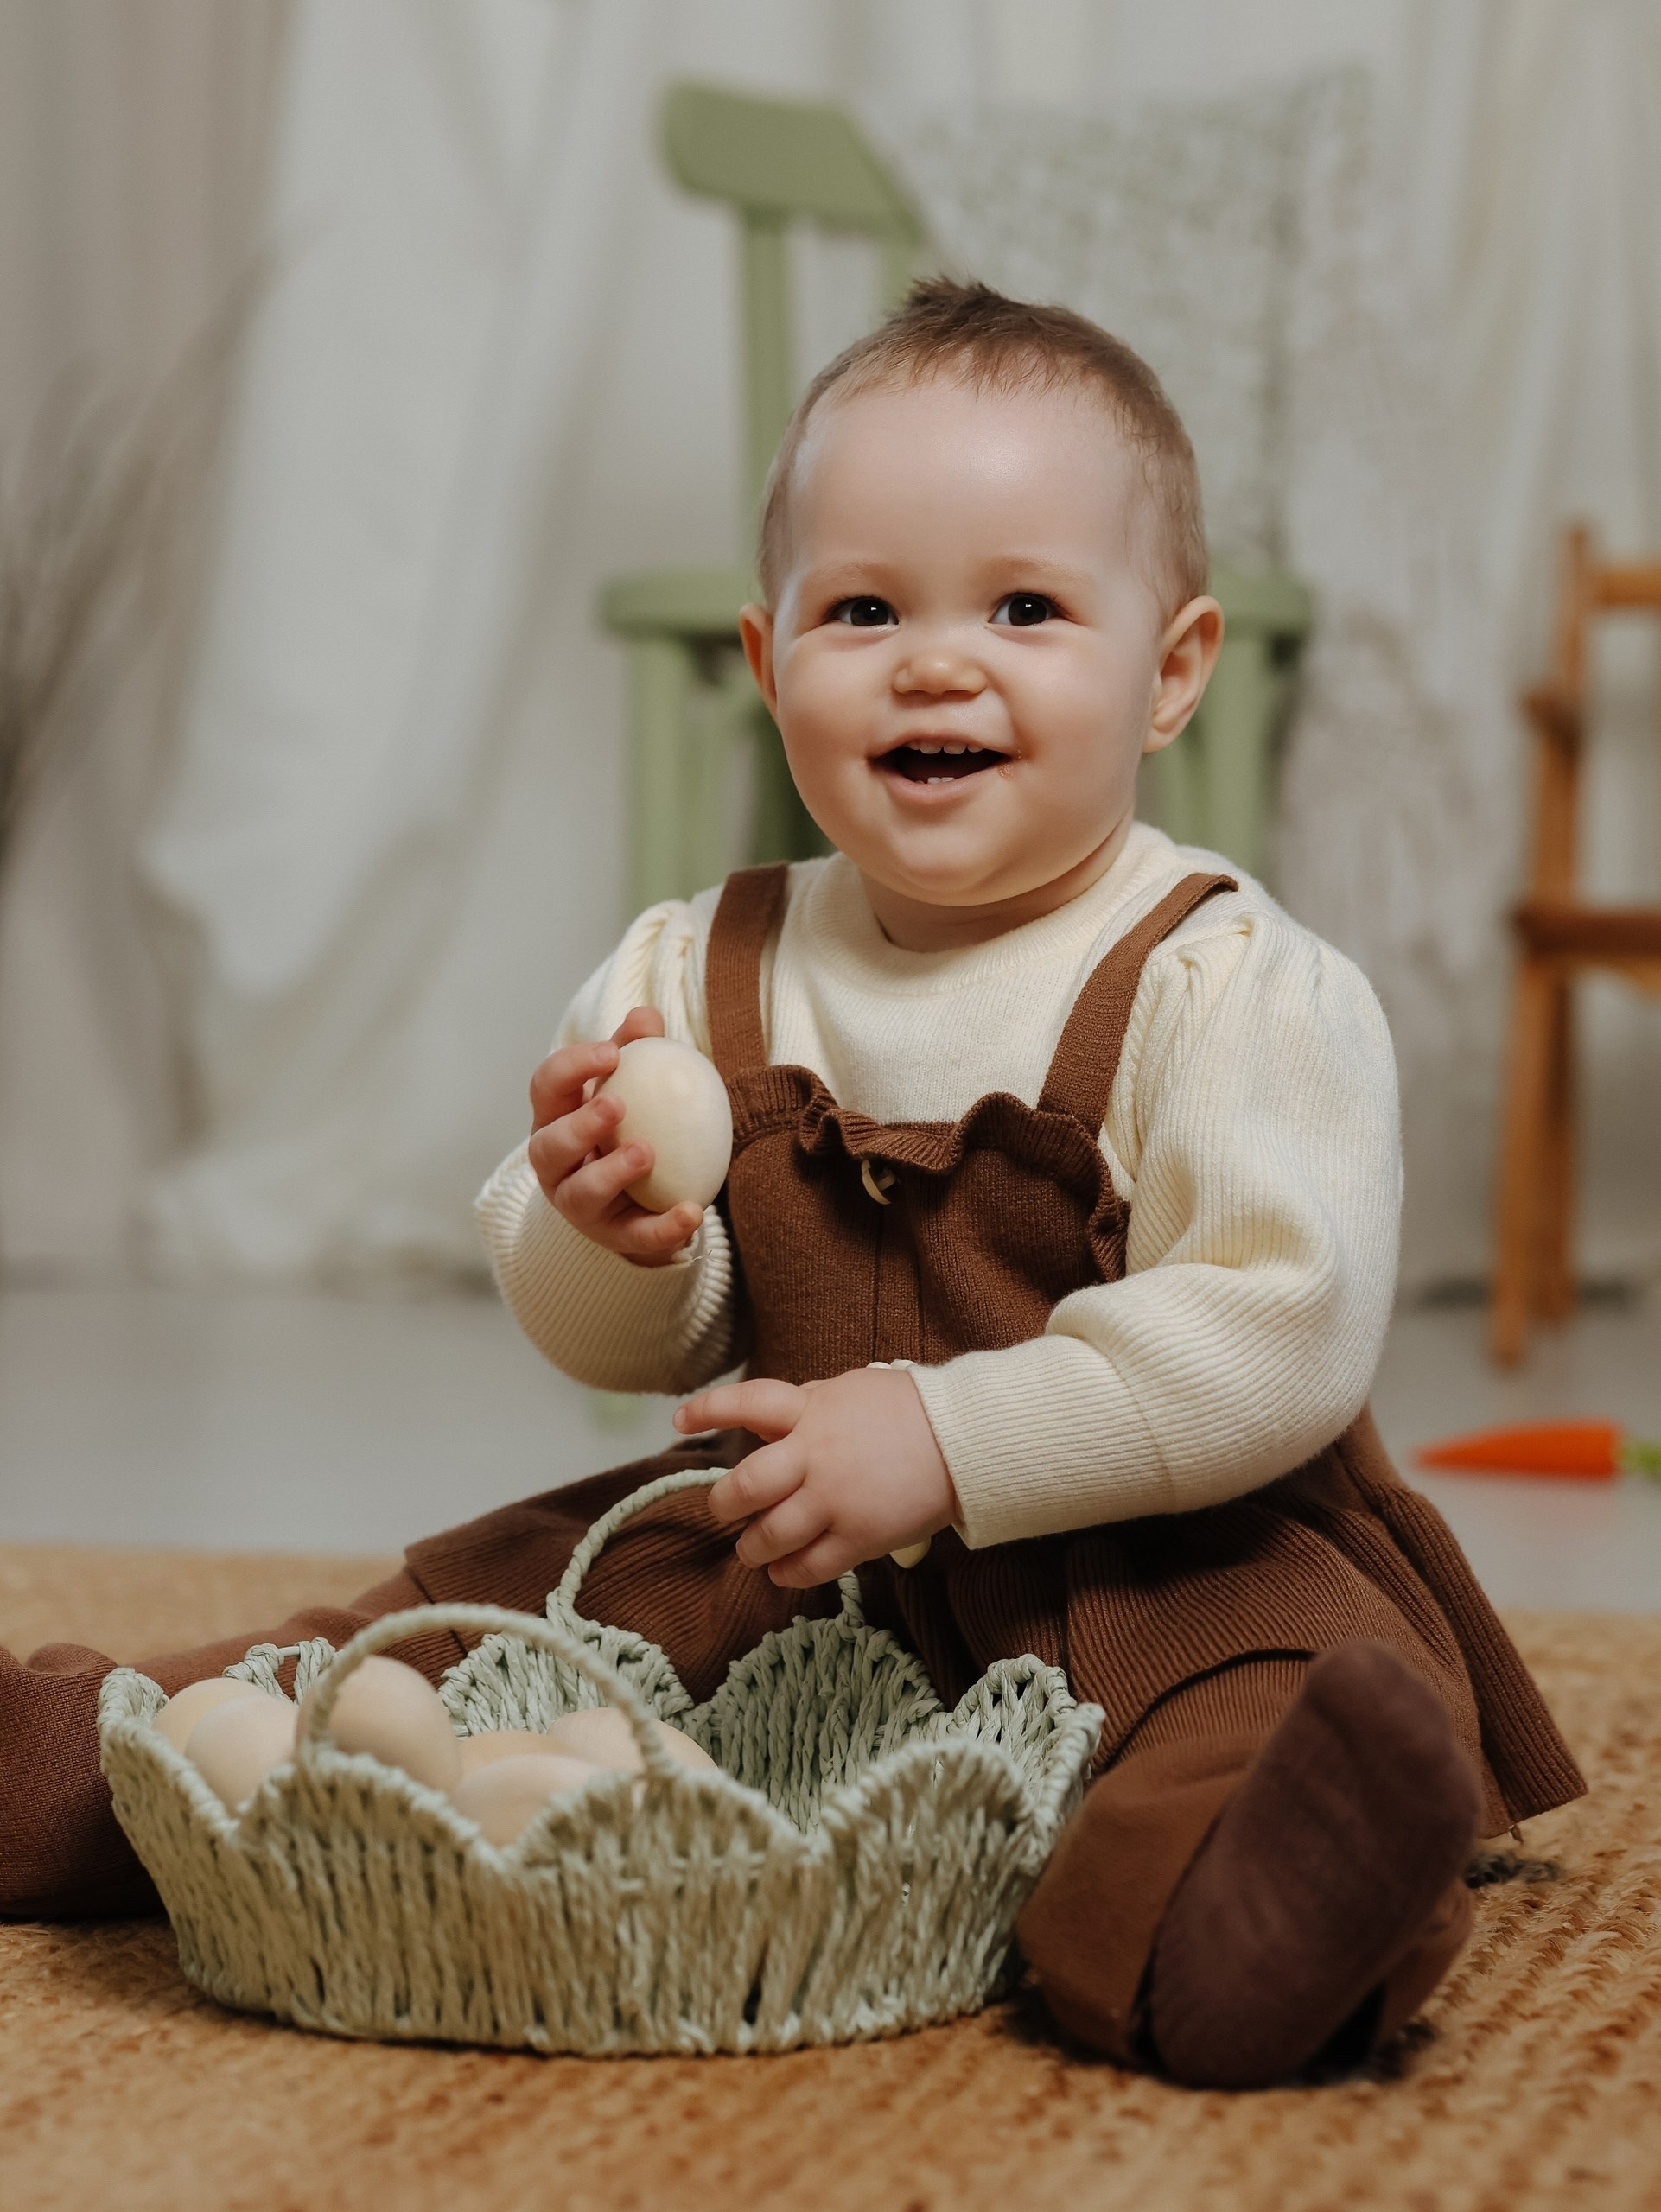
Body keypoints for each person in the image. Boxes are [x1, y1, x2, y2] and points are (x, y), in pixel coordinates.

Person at [0, 280, 1581, 2088]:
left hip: (1163, 1547)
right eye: (863, 608)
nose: (933, 658)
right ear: (770, 666)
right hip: (790, 1544)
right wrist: (609, 1229)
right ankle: (93, 1774)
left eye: (1025, 606)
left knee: (1272, 1697)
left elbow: (1272, 1326)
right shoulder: (697, 964)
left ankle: (1229, 1921)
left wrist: (946, 1435)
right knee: (465, 1634)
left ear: (1170, 670)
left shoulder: (1227, 982)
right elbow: (614, 1318)